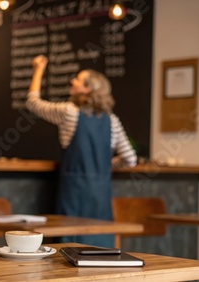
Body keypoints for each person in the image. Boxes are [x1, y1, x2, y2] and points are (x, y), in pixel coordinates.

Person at [27, 55, 136, 248]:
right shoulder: (111, 120)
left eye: (77, 79)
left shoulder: (70, 112)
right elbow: (130, 159)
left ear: (88, 88)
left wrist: (38, 70)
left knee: (70, 248)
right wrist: (106, 165)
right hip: (100, 196)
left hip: (73, 193)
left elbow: (33, 103)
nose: (72, 81)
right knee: (100, 248)